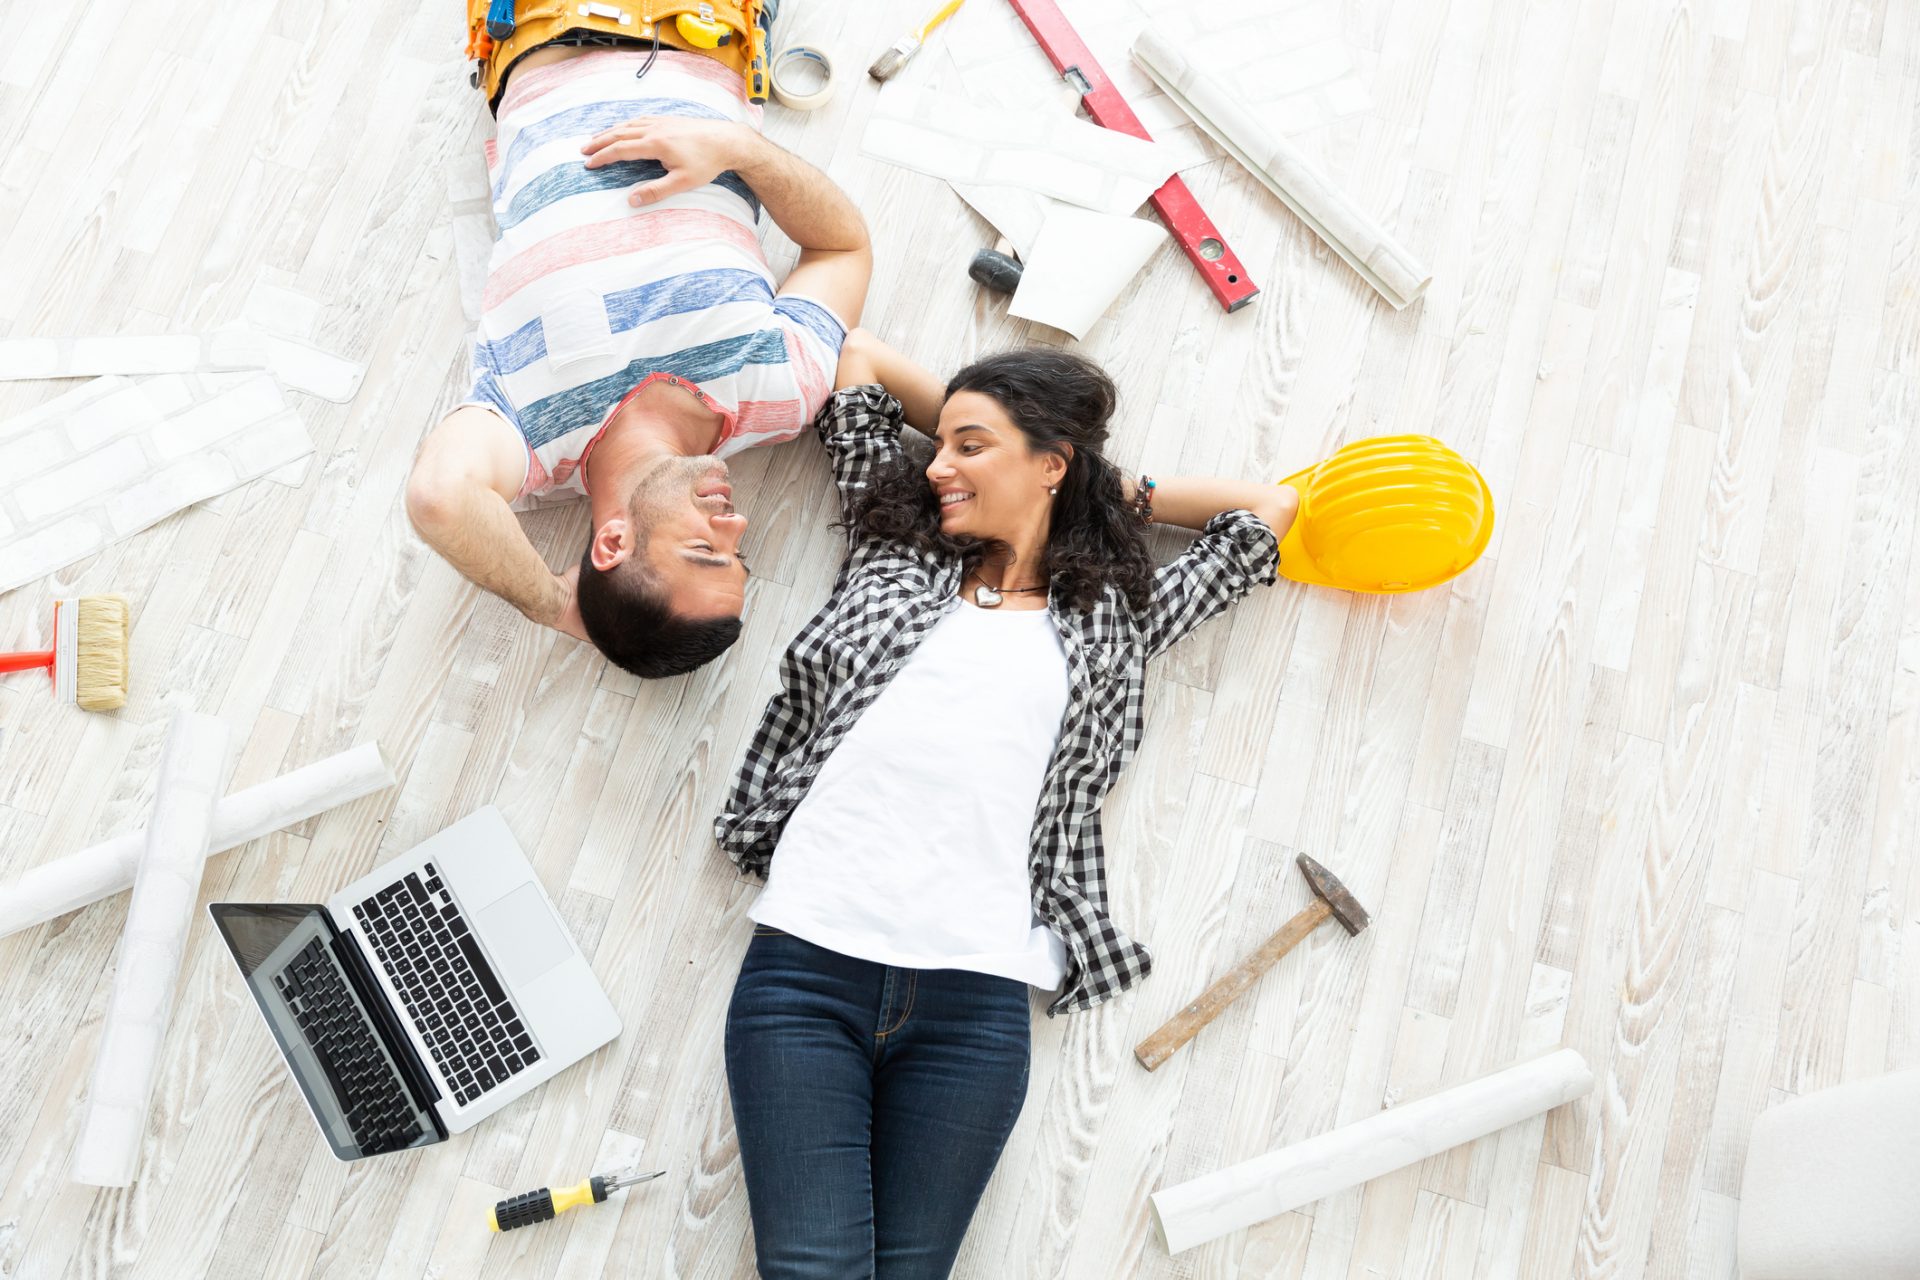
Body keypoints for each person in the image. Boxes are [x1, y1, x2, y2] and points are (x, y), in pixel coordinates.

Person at [713, 330, 1302, 1277]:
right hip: (808, 972)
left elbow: (1267, 511)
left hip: (975, 1000)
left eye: (970, 446)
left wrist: (1109, 492)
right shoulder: (891, 550)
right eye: (938, 443)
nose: (940, 465)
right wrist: (977, 437)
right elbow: (855, 357)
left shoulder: (1119, 614)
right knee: (814, 1269)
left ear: (1052, 465)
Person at [406, 0, 868, 678]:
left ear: (614, 541)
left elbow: (439, 497)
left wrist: (551, 605)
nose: (736, 528)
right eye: (736, 554)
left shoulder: (531, 439)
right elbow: (843, 246)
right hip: (705, 30)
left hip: (549, 25)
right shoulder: (779, 393)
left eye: (706, 552)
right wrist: (741, 150)